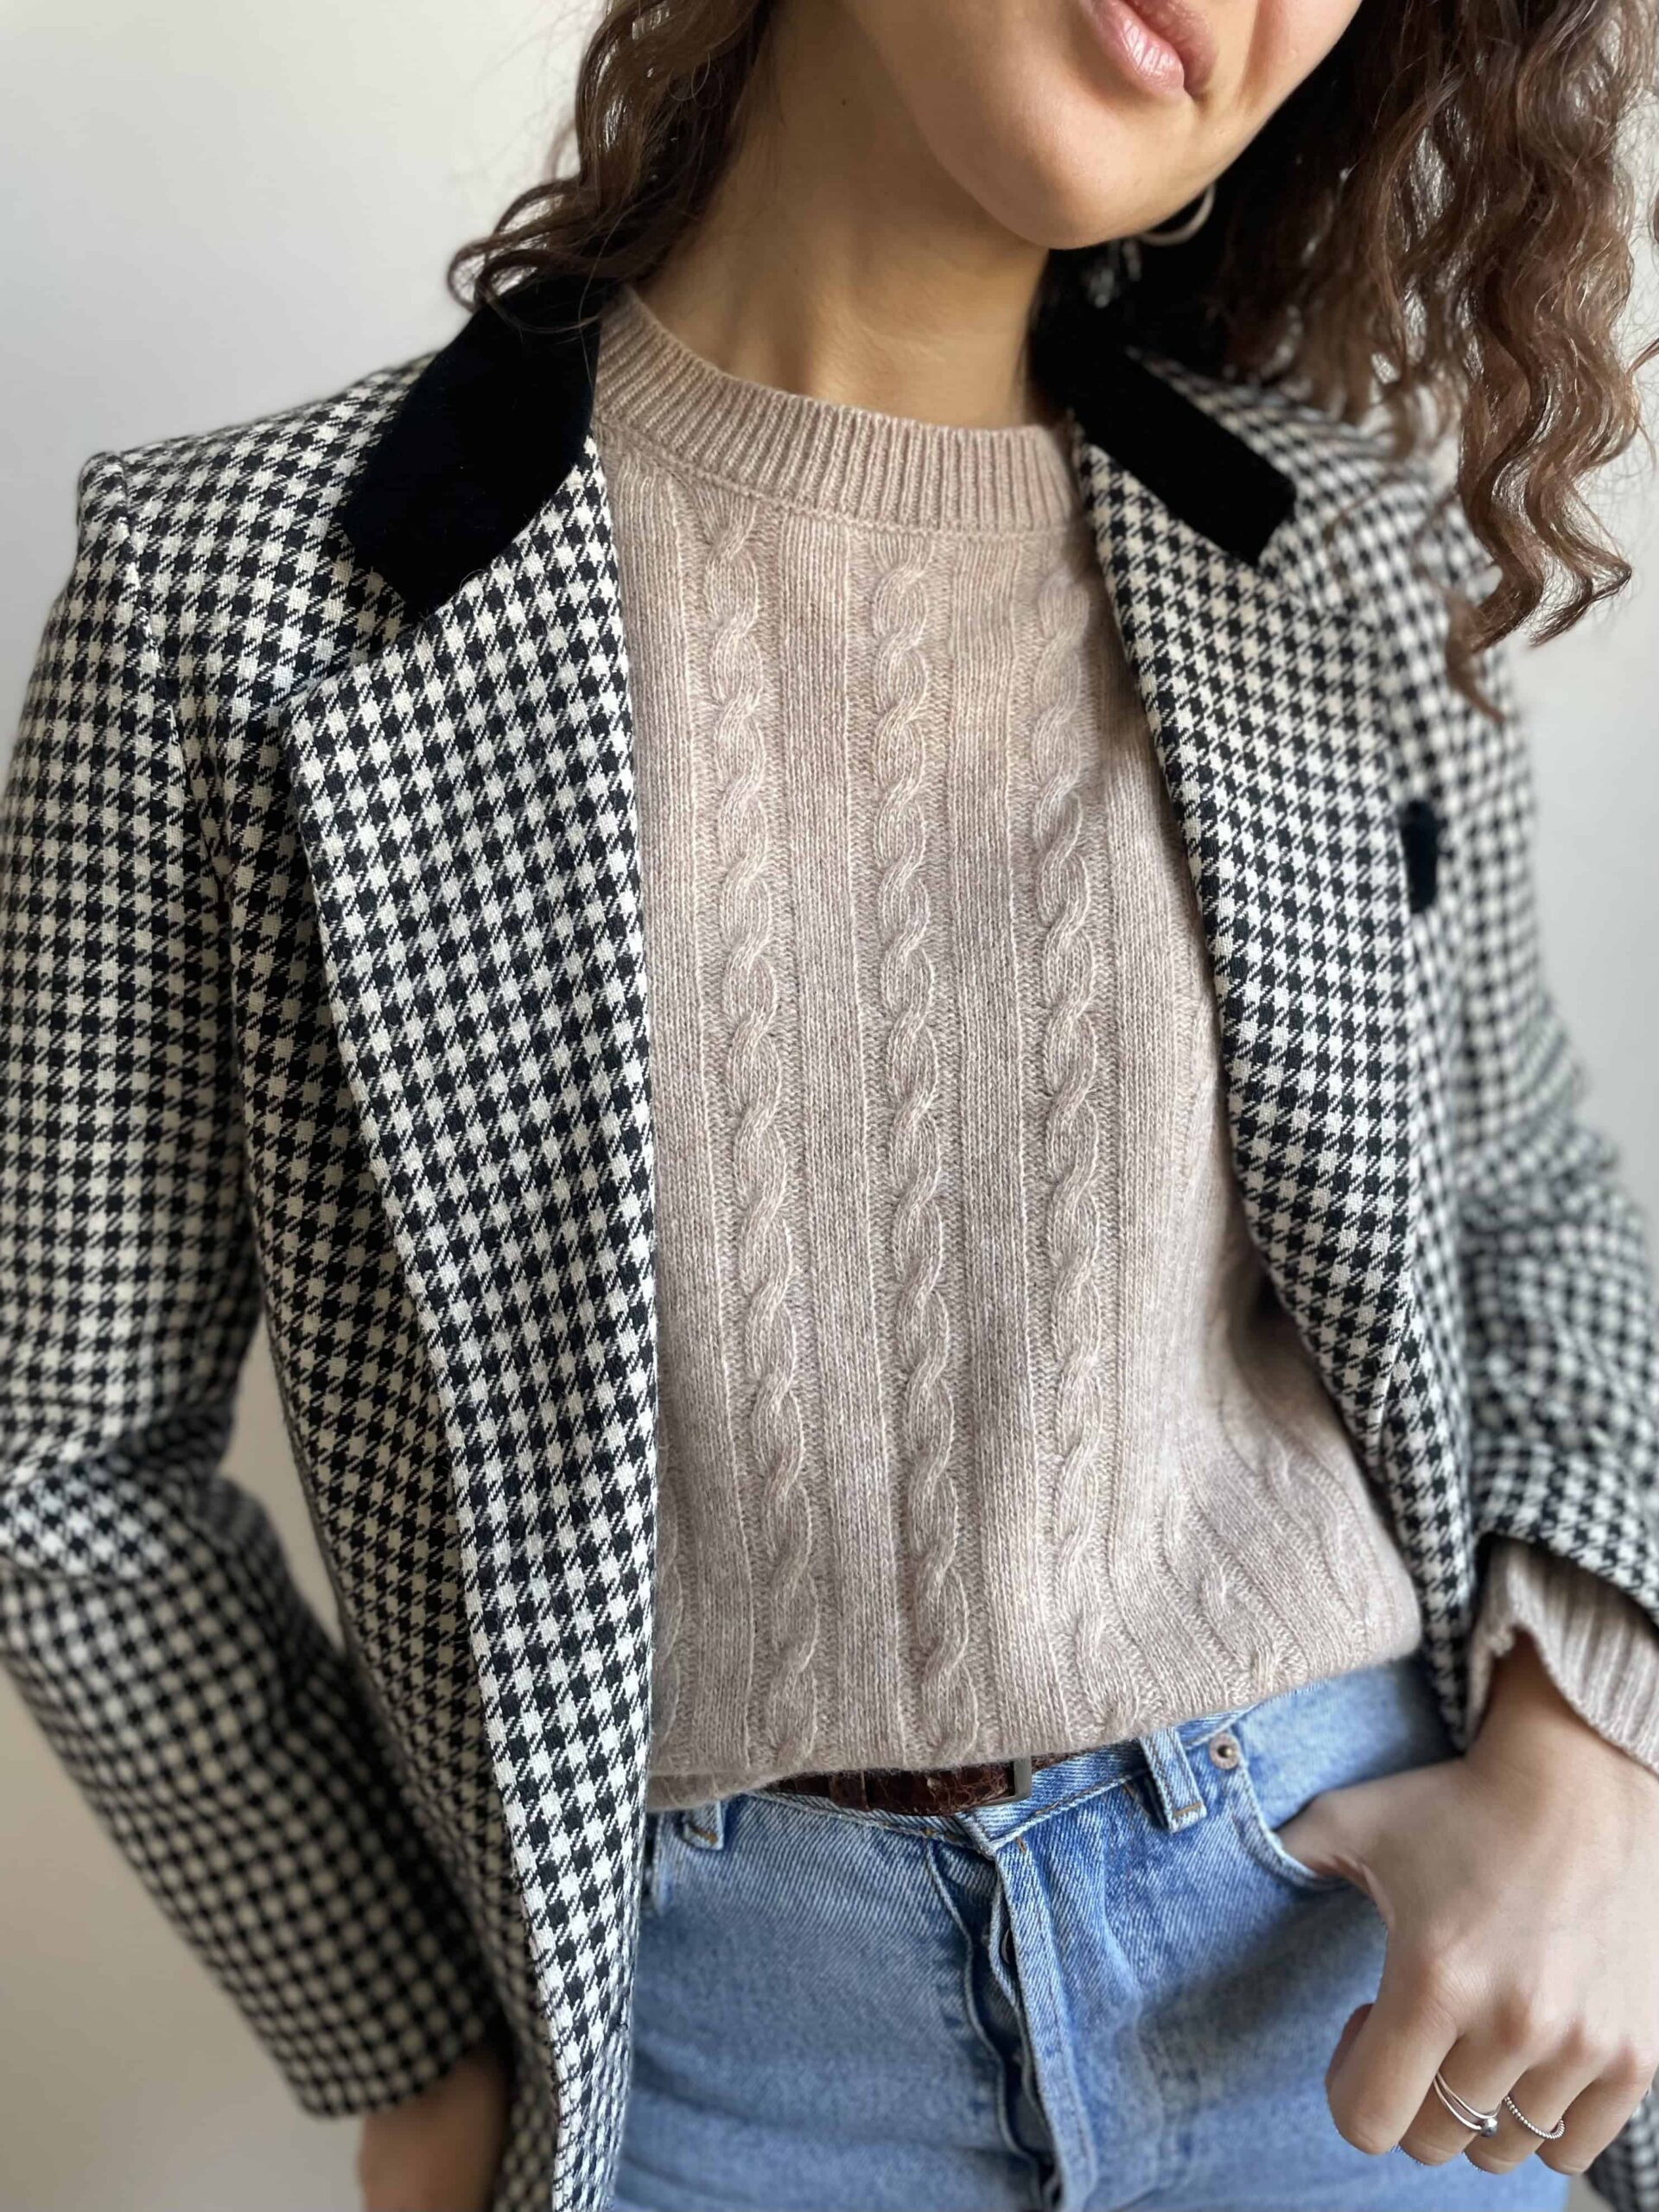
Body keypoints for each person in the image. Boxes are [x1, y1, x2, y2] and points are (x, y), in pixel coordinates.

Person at [4, 0, 1659, 2208]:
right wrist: (401, 2022)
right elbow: (67, 1458)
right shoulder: (239, 597)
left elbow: (1522, 1200)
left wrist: (1592, 1744)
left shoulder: (1338, 558)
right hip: (702, 2078)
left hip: (1366, 2010)